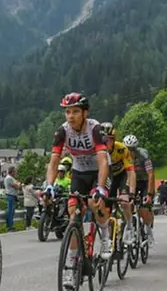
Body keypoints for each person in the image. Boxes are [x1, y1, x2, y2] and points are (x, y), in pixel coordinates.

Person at [43, 92, 111, 289]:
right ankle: (72, 267)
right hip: (79, 173)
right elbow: (54, 160)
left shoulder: (95, 129)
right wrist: (49, 185)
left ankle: (105, 236)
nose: (70, 116)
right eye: (67, 112)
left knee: (94, 202)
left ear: (85, 113)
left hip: (98, 171)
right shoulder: (62, 132)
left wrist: (100, 187)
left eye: (75, 111)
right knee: (73, 216)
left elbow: (102, 159)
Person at [101, 122, 137, 242]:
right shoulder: (98, 151)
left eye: (108, 140)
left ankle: (130, 226)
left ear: (114, 139)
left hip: (122, 176)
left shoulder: (121, 149)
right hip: (108, 177)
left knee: (124, 201)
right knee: (105, 207)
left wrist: (131, 192)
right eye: (103, 139)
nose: (106, 142)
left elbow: (131, 172)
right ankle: (108, 236)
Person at [123, 134, 156, 247]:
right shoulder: (122, 155)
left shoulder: (143, 156)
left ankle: (148, 230)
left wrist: (150, 194)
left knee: (143, 208)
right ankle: (129, 229)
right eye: (128, 149)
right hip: (132, 182)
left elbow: (151, 174)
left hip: (145, 182)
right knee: (127, 204)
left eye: (132, 149)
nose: (130, 152)